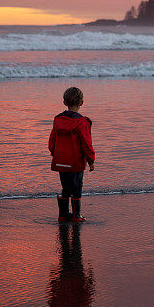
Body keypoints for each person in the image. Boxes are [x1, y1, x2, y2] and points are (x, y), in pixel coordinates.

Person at [49, 86, 95, 222]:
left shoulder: (58, 120)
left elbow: (52, 141)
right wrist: (91, 160)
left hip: (61, 160)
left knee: (65, 187)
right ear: (81, 103)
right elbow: (86, 143)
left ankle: (63, 215)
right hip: (76, 162)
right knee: (77, 187)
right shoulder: (82, 122)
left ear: (64, 102)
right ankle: (76, 215)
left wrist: (55, 153)